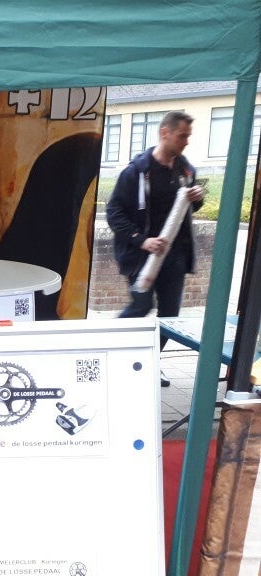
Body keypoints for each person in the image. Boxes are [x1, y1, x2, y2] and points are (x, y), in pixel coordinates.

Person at [106, 110, 206, 384]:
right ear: (165, 133)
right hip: (141, 256)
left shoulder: (186, 170)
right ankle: (110, 349)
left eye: (188, 136)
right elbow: (114, 212)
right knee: (141, 305)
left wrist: (197, 198)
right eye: (182, 136)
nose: (186, 141)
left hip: (175, 255)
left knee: (170, 315)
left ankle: (149, 362)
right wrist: (142, 239)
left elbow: (188, 208)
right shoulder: (136, 172)